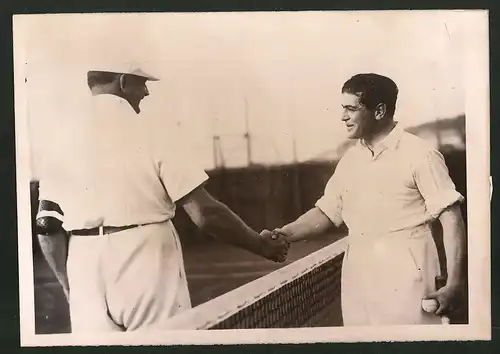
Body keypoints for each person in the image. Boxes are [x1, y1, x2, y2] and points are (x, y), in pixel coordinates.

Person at [35, 64, 289, 333]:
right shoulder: (155, 129)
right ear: (122, 83)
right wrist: (261, 246)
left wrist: (67, 283)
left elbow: (46, 227)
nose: (145, 91)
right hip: (145, 257)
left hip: (82, 263)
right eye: (142, 83)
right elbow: (206, 215)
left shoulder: (58, 140)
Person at [263, 73, 466, 326]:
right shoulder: (350, 160)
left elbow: (451, 218)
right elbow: (327, 212)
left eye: (351, 108)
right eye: (342, 108)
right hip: (357, 271)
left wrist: (455, 282)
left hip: (407, 270)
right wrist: (284, 234)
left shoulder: (421, 154)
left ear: (379, 110)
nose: (343, 116)